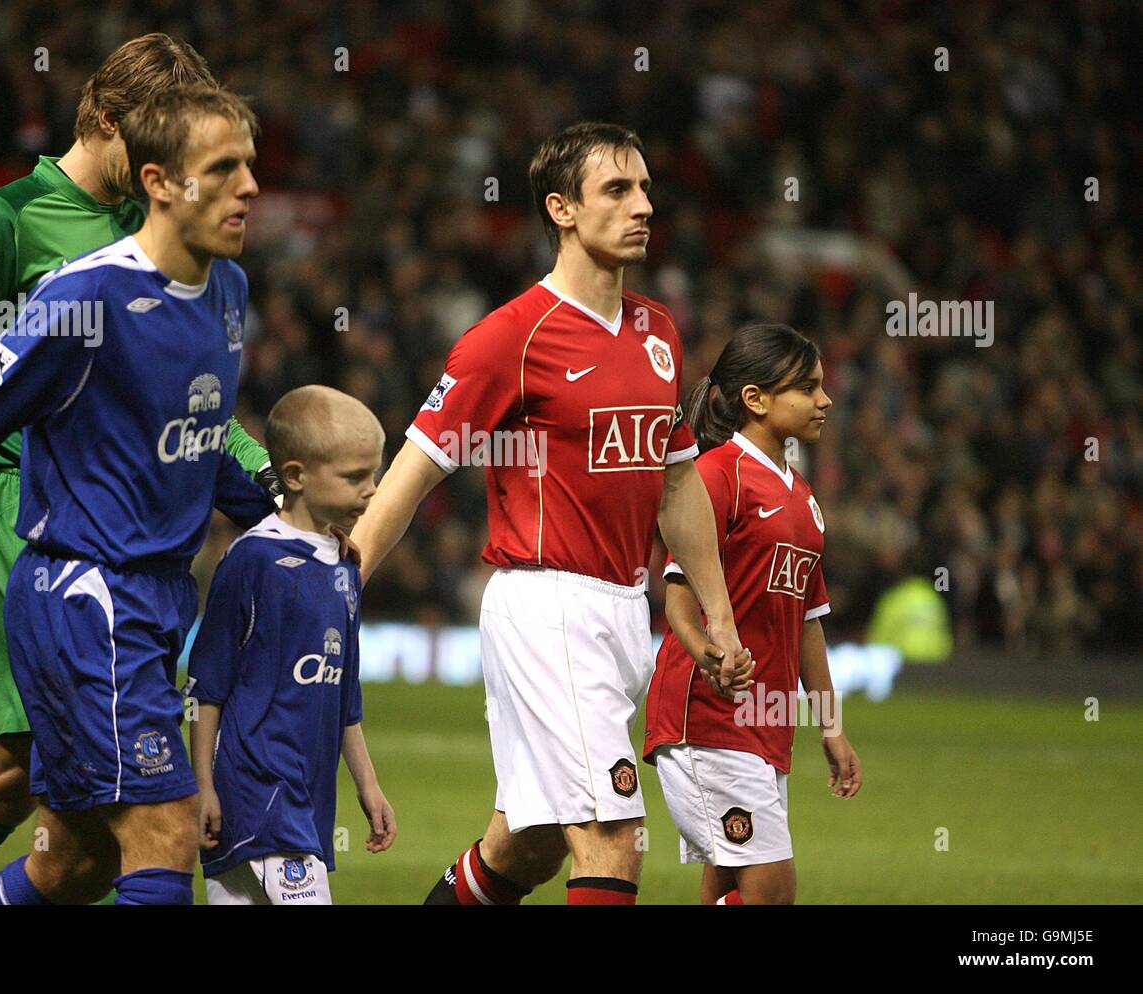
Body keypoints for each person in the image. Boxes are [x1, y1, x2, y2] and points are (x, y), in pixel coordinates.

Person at [0, 34, 277, 905]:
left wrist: (269, 485)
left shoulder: (182, 247)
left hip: (137, 531)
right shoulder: (5, 223)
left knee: (82, 846)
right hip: (28, 507)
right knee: (22, 779)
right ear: (105, 121)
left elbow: (190, 406)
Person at [351, 122, 748, 906]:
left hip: (621, 612)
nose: (644, 206)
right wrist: (335, 581)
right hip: (547, 607)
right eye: (618, 190)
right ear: (561, 209)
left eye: (644, 189)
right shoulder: (510, 338)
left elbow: (677, 485)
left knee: (526, 844)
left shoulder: (657, 332)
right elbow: (415, 472)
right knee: (613, 836)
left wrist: (720, 614)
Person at [644, 323, 863, 905]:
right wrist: (708, 654)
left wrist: (832, 725)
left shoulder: (804, 497)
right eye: (808, 389)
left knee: (729, 885)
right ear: (756, 400)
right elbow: (678, 598)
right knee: (771, 892)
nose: (825, 400)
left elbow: (808, 622)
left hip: (767, 726)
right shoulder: (715, 476)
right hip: (707, 716)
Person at [189, 385, 396, 905]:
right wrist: (203, 786)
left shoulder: (347, 568)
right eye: (355, 477)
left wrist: (367, 784)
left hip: (308, 802)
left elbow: (344, 694)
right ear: (297, 476)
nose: (371, 492)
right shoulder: (251, 560)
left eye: (373, 475)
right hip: (256, 791)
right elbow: (206, 685)